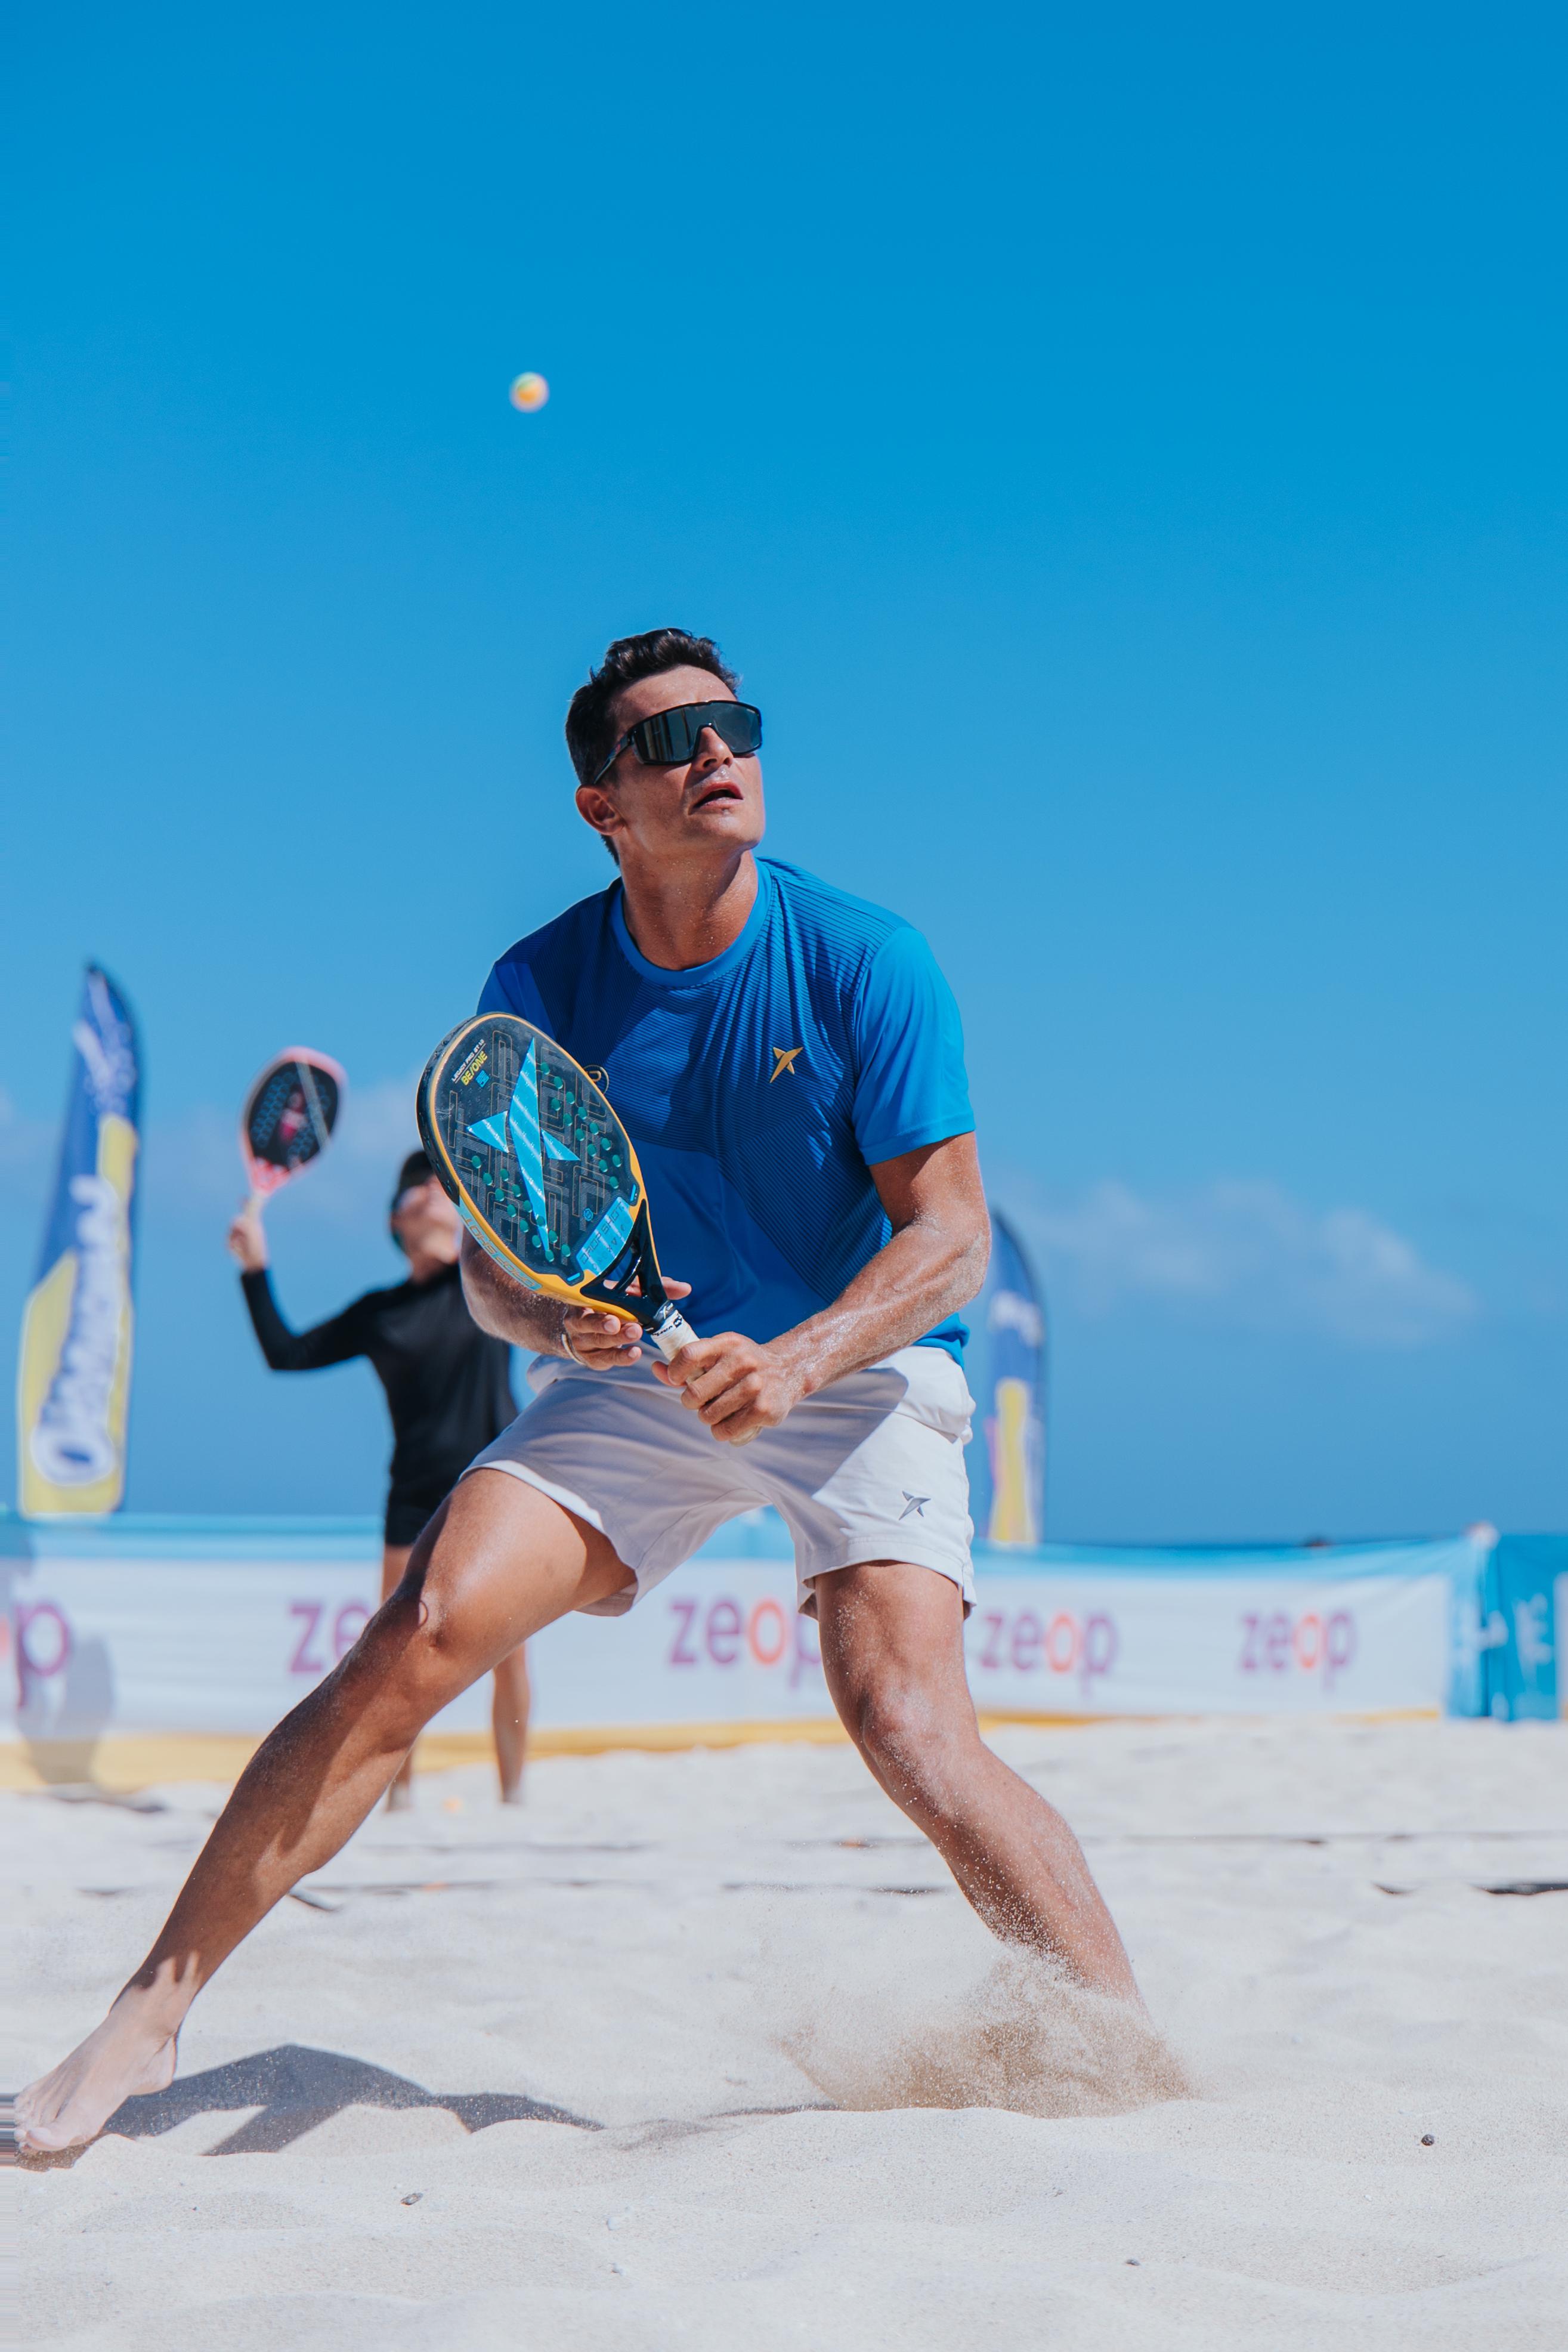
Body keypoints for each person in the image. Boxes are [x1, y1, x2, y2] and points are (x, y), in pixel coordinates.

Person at [19, 627, 1140, 2154]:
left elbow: (952, 1238)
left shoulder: (866, 958)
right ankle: (146, 2018)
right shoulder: (536, 986)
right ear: (601, 806)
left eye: (733, 724)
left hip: (852, 1367)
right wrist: (545, 1310)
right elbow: (495, 1278)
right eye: (670, 739)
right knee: (417, 1631)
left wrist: (798, 1357)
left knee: (907, 1725)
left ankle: (1124, 2054)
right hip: (639, 1385)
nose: (716, 752)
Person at [225, 1149, 530, 1807]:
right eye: (415, 1188)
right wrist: (254, 1267)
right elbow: (286, 1352)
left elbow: (519, 1229)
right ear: (396, 1220)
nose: (430, 1191)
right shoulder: (381, 1311)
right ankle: (399, 1799)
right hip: (413, 1494)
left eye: (440, 1185)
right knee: (394, 1655)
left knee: (508, 1652)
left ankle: (514, 1798)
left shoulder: (486, 1280)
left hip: (495, 1481)